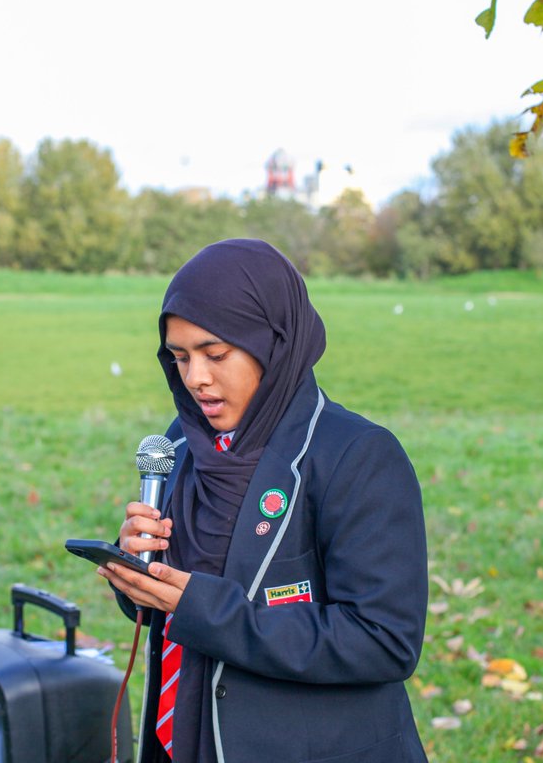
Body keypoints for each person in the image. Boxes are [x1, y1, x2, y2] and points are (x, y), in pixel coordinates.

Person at [100, 239, 429, 763]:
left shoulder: (357, 456)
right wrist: (139, 572)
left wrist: (203, 608)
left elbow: (384, 640)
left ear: (273, 343)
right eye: (179, 357)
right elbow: (179, 599)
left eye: (215, 354)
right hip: (184, 739)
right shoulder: (181, 444)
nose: (195, 378)